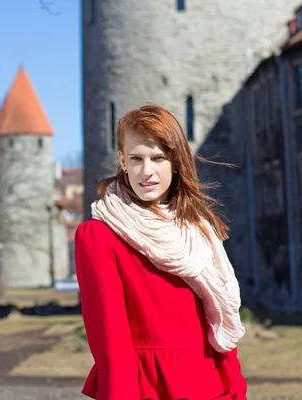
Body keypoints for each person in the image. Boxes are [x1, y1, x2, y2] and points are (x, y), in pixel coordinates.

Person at [75, 104, 248, 400]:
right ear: (122, 161)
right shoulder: (100, 236)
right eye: (136, 159)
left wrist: (236, 388)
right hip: (149, 389)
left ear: (176, 161)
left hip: (211, 384)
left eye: (158, 158)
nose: (147, 171)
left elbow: (217, 321)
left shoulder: (197, 230)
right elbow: (111, 345)